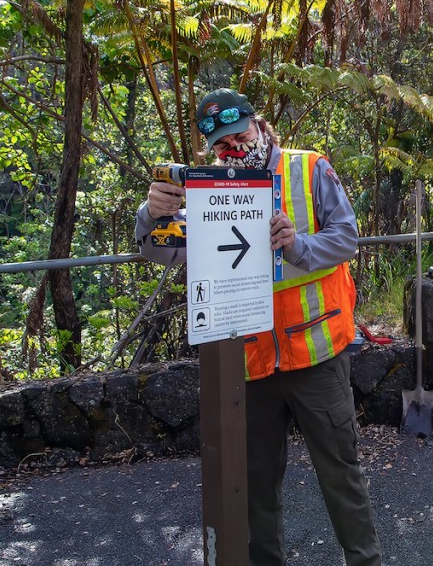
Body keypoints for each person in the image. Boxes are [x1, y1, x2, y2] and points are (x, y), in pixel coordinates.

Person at [134, 88, 381, 566]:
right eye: (221, 145)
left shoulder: (307, 167)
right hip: (250, 363)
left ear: (260, 125)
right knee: (256, 489)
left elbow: (347, 236)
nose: (233, 149)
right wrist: (154, 213)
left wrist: (297, 245)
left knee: (341, 477)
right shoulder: (207, 189)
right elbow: (161, 248)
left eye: (239, 135)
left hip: (316, 355)